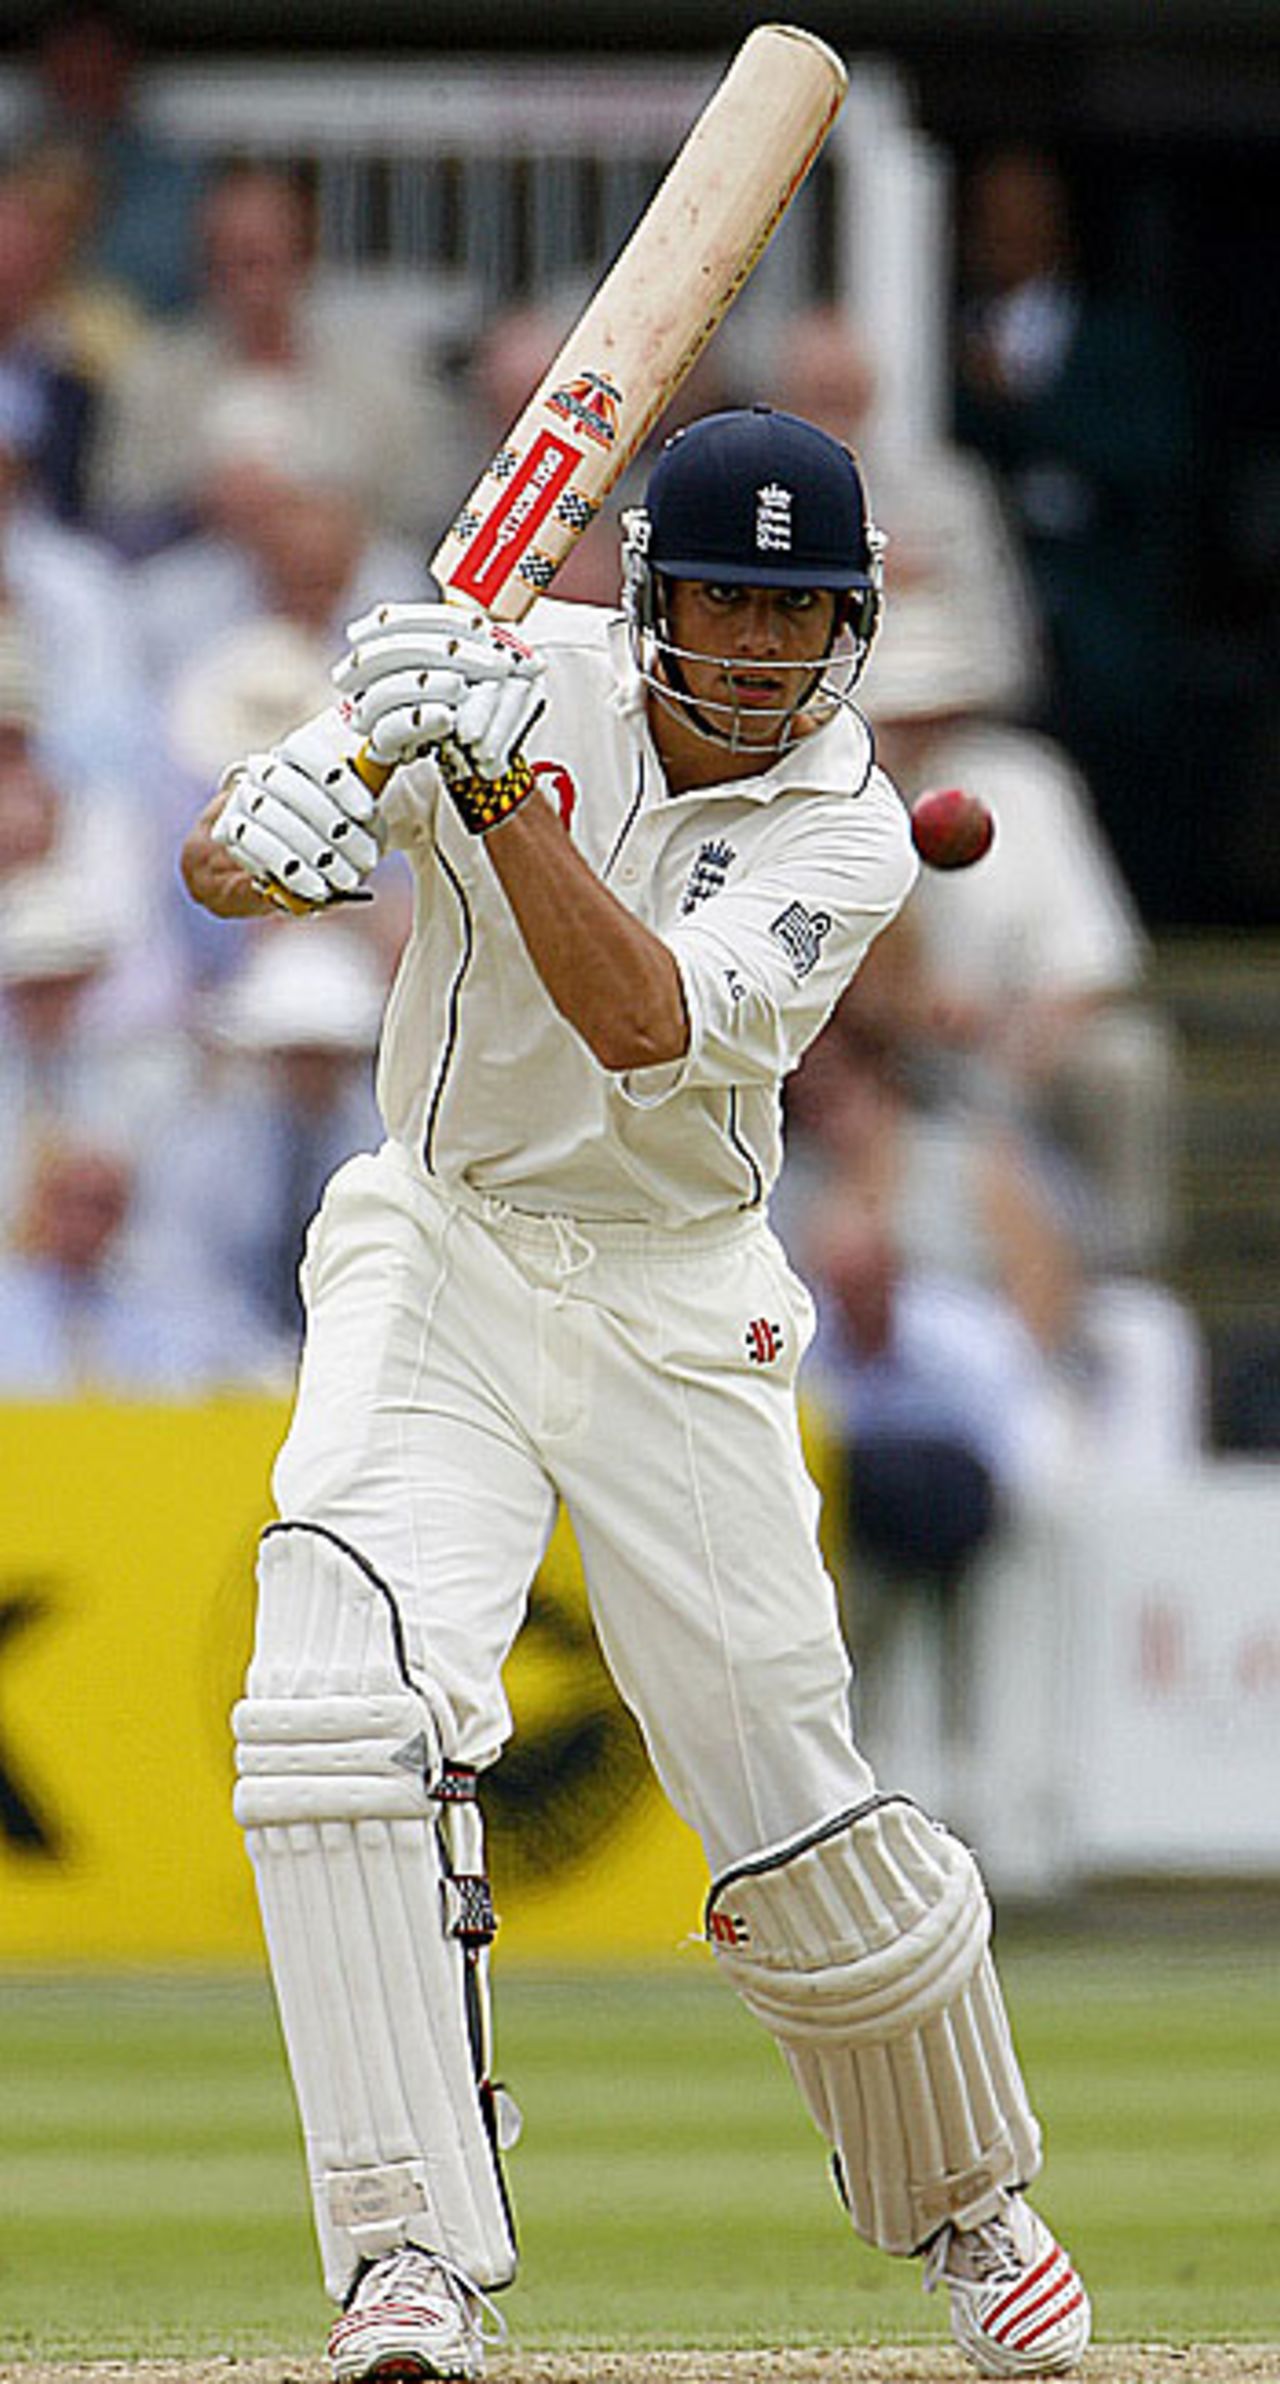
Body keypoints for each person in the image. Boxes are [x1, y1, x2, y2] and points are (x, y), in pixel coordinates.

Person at [181, 404, 1090, 2381]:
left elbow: (638, 1016)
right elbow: (222, 879)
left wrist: (488, 784)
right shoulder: (508, 668)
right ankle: (403, 2244)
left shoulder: (846, 822)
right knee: (335, 1702)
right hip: (442, 1243)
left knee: (783, 1785)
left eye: (802, 615)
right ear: (651, 594)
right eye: (733, 607)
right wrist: (289, 818)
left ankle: (964, 2198)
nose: (764, 656)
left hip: (681, 1301)